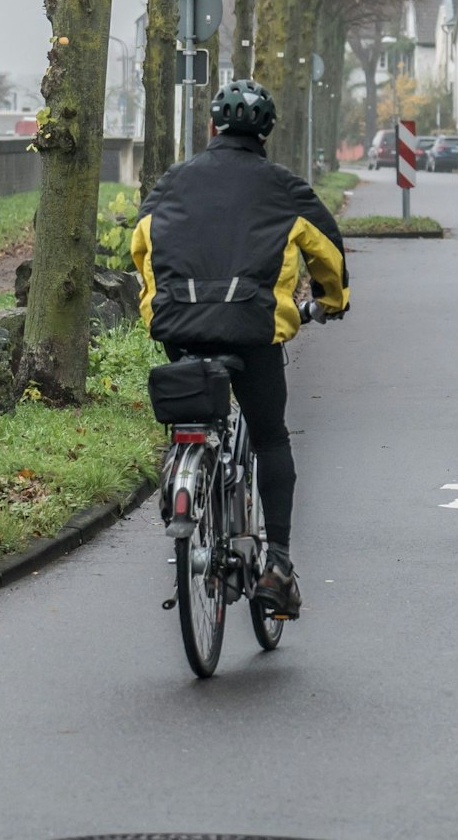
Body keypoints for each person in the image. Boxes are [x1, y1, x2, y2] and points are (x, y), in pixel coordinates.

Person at [130, 79, 349, 620]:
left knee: (194, 412)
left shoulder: (172, 182)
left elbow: (141, 246)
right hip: (252, 331)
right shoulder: (283, 187)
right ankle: (277, 565)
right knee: (270, 436)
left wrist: (160, 304)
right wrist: (331, 300)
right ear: (266, 134)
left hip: (180, 326)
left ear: (212, 126)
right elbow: (328, 253)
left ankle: (184, 477)